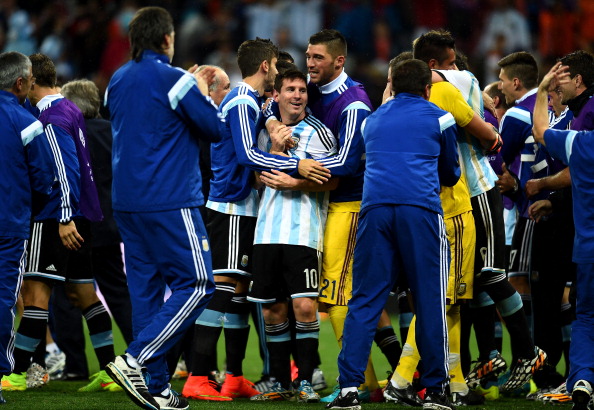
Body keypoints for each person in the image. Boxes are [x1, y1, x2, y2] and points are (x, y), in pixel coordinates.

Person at [180, 37, 329, 403]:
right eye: (276, 66)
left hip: (246, 210)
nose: (279, 73)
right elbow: (247, 155)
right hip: (231, 206)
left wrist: (274, 124)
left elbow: (264, 119)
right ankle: (197, 375)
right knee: (222, 290)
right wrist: (296, 165)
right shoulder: (242, 101)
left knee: (238, 295)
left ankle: (233, 376)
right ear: (266, 66)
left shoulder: (251, 102)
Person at [103, 7, 225, 410]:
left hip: (127, 202)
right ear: (168, 38)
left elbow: (131, 115)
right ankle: (134, 359)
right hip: (169, 199)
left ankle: (156, 386)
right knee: (199, 284)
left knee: (147, 295)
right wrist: (198, 89)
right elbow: (215, 129)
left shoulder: (117, 79)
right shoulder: (177, 81)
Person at [326, 58, 460, 410]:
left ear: (393, 86)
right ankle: (436, 390)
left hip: (374, 211)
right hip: (420, 210)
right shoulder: (441, 118)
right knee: (429, 300)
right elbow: (451, 173)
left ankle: (348, 390)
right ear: (427, 89)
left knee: (365, 299)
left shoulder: (372, 120)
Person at [261, 29, 384, 402]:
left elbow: (346, 164)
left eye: (318, 58)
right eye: (309, 56)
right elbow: (271, 105)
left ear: (339, 61)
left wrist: (295, 173)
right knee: (338, 297)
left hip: (348, 204)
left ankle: (361, 382)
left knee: (335, 298)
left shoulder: (354, 103)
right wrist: (272, 123)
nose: (310, 64)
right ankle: (378, 379)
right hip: (324, 205)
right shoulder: (311, 91)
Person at [1, 53, 118, 395]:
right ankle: (110, 370)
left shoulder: (50, 119)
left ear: (30, 82)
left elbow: (65, 170)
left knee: (34, 294)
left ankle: (19, 373)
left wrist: (64, 217)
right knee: (82, 293)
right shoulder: (70, 109)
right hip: (81, 215)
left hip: (57, 217)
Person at [248, 68, 338, 402]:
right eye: (290, 90)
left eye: (302, 90)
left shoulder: (321, 133)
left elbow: (334, 179)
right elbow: (257, 178)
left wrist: (295, 182)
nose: (297, 95)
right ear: (277, 95)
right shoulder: (264, 133)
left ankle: (306, 381)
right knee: (272, 310)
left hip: (303, 232)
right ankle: (280, 382)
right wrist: (274, 147)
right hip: (266, 231)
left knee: (304, 306)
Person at [51, 79, 134, 383]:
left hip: (74, 226)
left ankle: (75, 365)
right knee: (119, 294)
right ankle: (143, 356)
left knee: (66, 296)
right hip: (110, 226)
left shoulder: (66, 132)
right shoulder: (115, 131)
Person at [532, 61, 594, 410]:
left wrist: (543, 90)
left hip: (588, 248)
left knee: (586, 317)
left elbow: (541, 131)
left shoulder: (582, 144)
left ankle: (581, 379)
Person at [0, 51, 54, 405]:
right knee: (3, 299)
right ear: (20, 83)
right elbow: (44, 179)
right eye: (31, 79)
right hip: (9, 226)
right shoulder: (26, 122)